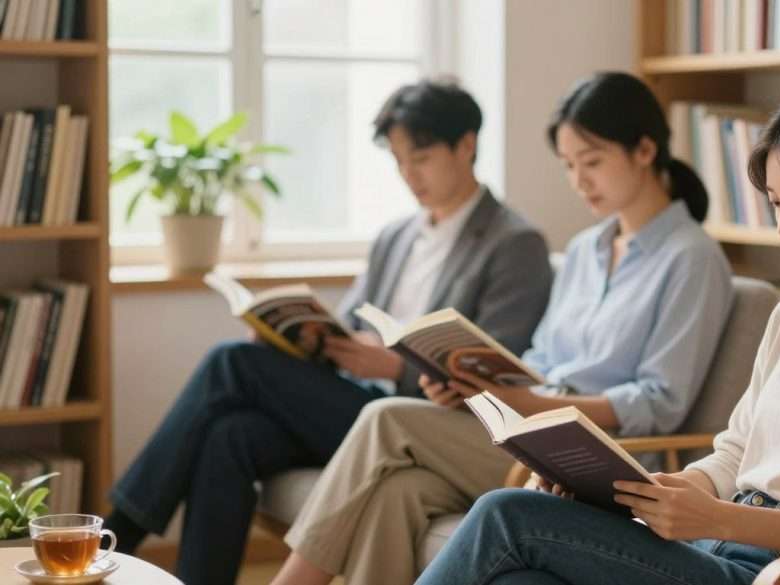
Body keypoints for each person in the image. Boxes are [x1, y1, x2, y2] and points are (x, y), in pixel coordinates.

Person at [414, 84, 780, 585]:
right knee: (522, 579)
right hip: (713, 547)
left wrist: (718, 519)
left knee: (505, 515)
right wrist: (652, 492)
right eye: (775, 202)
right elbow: (736, 453)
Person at [269, 71, 735, 585]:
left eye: (593, 162)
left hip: (596, 455)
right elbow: (541, 356)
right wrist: (479, 384)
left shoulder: (692, 258)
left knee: (387, 418)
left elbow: (658, 404)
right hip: (530, 430)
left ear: (645, 150)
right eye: (569, 166)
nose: (580, 181)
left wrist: (528, 405)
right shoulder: (585, 249)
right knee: (396, 491)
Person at [104, 79, 554, 585]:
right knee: (229, 434)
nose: (409, 175)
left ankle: (114, 536)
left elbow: (494, 369)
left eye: (421, 158)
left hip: (419, 423)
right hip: (353, 403)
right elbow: (349, 327)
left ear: (466, 145)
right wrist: (291, 341)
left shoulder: (515, 243)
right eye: (400, 161)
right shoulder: (396, 236)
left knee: (231, 363)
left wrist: (396, 367)